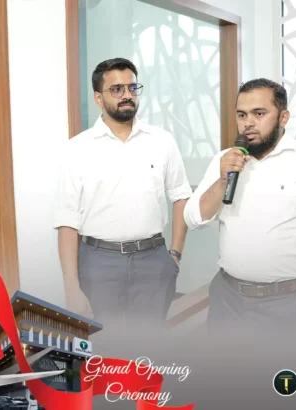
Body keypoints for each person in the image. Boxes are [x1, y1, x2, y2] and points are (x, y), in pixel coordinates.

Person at [183, 78, 296, 333]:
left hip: (284, 302)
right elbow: (193, 218)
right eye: (242, 114)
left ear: (283, 117)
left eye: (259, 113)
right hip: (226, 298)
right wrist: (222, 180)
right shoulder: (225, 160)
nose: (248, 123)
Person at [54, 58, 191, 329]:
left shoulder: (162, 141)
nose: (127, 94)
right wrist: (71, 286)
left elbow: (181, 196)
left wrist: (174, 255)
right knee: (104, 342)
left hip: (153, 260)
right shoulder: (77, 149)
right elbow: (67, 221)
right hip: (98, 263)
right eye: (116, 89)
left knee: (150, 341)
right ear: (98, 98)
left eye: (132, 87)